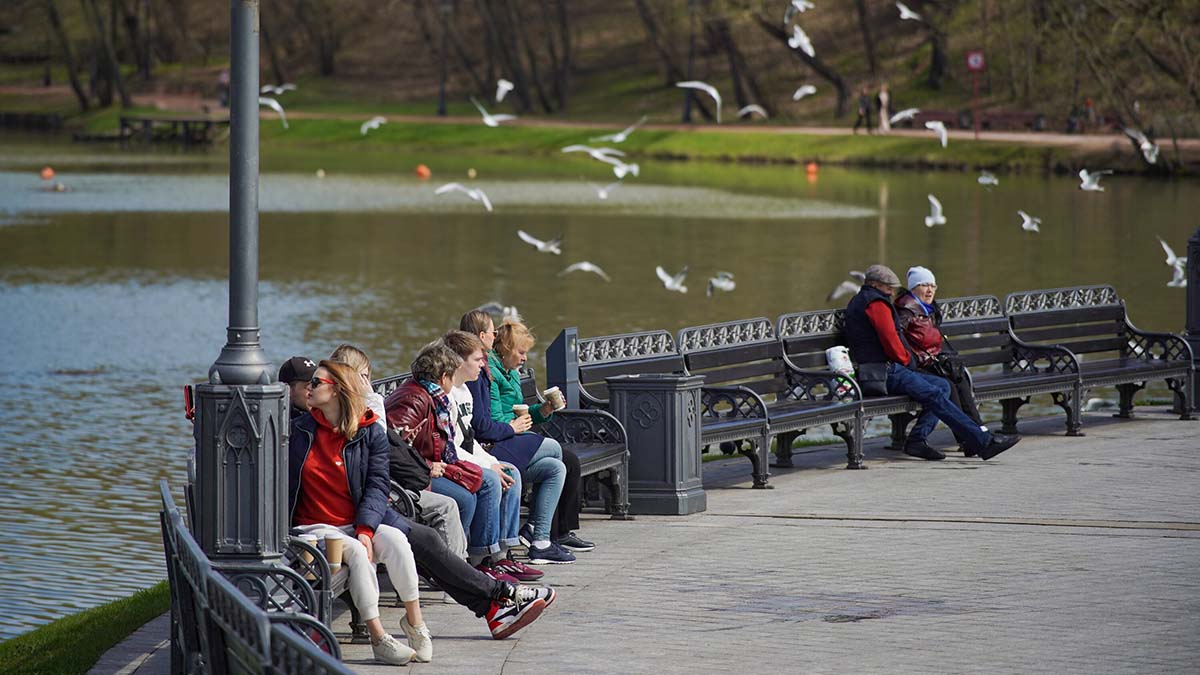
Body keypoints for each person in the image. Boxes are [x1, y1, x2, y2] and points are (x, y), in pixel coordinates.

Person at [288, 360, 430, 664]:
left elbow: (378, 486)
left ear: (337, 390)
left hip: (353, 523)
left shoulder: (369, 433)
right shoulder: (299, 431)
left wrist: (366, 528)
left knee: (396, 542)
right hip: (312, 528)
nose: (307, 389)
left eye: (315, 383)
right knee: (354, 550)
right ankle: (378, 637)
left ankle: (415, 623)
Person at [842, 264, 1020, 461]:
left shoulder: (863, 300)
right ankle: (983, 442)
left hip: (881, 369)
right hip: (883, 371)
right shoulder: (876, 304)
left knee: (943, 386)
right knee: (934, 392)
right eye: (888, 287)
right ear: (874, 284)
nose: (892, 291)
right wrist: (907, 361)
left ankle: (917, 441)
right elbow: (890, 339)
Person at [384, 342, 511, 577]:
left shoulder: (430, 396)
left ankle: (473, 560)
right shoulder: (414, 400)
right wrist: (428, 466)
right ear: (443, 377)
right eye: (451, 376)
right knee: (464, 498)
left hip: (427, 466)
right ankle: (453, 568)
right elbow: (391, 449)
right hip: (409, 476)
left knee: (478, 485)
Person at [330, 343, 468, 559]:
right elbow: (378, 450)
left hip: (389, 484)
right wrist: (373, 400)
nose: (369, 384)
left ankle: (464, 567)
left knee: (475, 488)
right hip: (384, 492)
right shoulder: (359, 410)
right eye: (365, 377)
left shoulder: (352, 408)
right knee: (452, 504)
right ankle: (460, 571)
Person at [483, 316, 595, 561]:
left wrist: (542, 411)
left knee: (558, 465)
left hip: (514, 438)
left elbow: (518, 411)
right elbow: (492, 420)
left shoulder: (510, 372)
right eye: (521, 352)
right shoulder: (491, 373)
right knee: (556, 450)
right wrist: (514, 425)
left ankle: (541, 538)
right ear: (504, 349)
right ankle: (538, 531)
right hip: (499, 444)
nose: (524, 358)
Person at [441, 330, 545, 582]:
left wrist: (493, 462)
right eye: (478, 359)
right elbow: (452, 446)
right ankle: (482, 557)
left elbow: (469, 438)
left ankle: (503, 555)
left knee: (510, 472)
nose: (483, 364)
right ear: (459, 361)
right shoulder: (448, 395)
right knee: (489, 480)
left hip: (469, 453)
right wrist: (488, 467)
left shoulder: (465, 391)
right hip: (448, 462)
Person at [894, 267, 987, 456]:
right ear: (913, 288)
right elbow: (898, 339)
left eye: (932, 285)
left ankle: (978, 434)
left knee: (959, 380)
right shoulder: (906, 310)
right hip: (916, 367)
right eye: (924, 285)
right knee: (948, 387)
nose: (929, 290)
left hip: (931, 363)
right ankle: (970, 438)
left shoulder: (930, 309)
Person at [278, 356, 317, 421]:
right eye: (308, 386)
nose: (315, 391)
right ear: (289, 390)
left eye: (316, 385)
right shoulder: (282, 424)